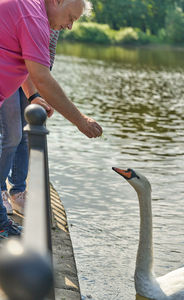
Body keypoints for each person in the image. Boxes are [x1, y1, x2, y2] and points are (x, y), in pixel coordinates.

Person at [0, 0, 103, 238]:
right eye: (71, 18)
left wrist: (32, 95)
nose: (69, 26)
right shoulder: (35, 18)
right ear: (58, 1)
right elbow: (42, 77)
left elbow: (24, 64)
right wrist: (81, 121)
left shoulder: (31, 10)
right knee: (11, 137)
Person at [0, 30, 59, 216]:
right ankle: (1, 189)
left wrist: (42, 87)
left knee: (25, 135)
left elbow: (49, 53)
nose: (70, 25)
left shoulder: (58, 15)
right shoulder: (30, 7)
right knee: (11, 135)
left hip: (35, 73)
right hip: (11, 68)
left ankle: (17, 192)